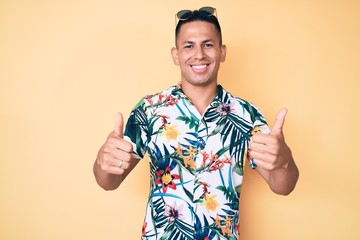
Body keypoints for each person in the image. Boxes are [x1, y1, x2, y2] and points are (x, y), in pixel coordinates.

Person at [93, 6, 299, 239]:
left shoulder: (246, 115)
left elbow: (283, 186)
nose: (199, 54)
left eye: (208, 44)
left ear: (222, 52)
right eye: (189, 46)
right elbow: (108, 182)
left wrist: (284, 161)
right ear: (176, 54)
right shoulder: (149, 110)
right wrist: (103, 163)